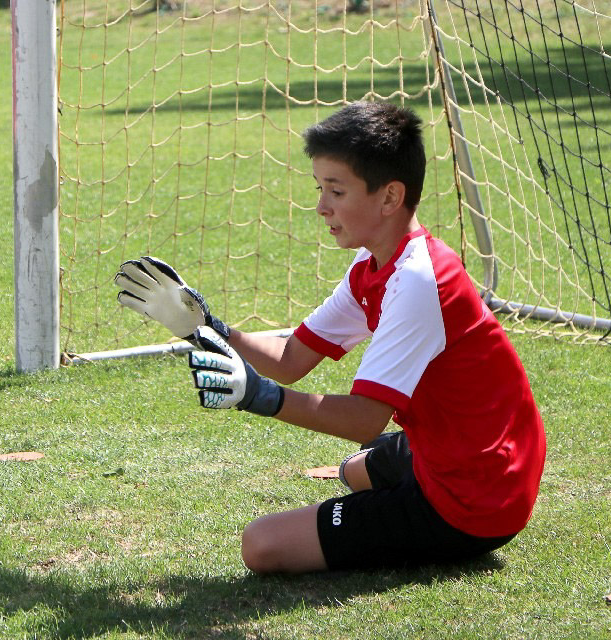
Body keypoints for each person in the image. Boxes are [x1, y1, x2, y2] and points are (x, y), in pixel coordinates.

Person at [114, 101, 546, 573]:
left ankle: (431, 517)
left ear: (389, 197)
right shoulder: (375, 263)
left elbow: (365, 420)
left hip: (478, 498)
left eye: (336, 191)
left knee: (262, 545)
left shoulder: (420, 281)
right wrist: (206, 328)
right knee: (355, 470)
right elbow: (290, 358)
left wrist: (260, 397)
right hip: (469, 451)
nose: (321, 206)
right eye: (320, 188)